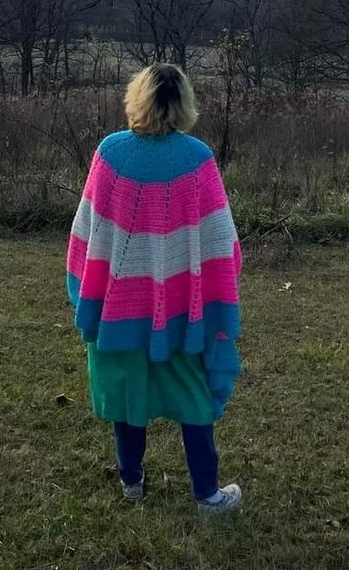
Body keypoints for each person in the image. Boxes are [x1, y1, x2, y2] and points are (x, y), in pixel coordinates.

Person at [66, 62, 243, 515]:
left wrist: (86, 287)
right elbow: (221, 239)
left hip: (119, 308)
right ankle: (207, 494)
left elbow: (87, 232)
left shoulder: (110, 153)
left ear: (137, 98)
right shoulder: (198, 158)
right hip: (183, 312)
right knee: (194, 397)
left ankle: (132, 481)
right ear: (184, 103)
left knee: (129, 394)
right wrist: (216, 287)